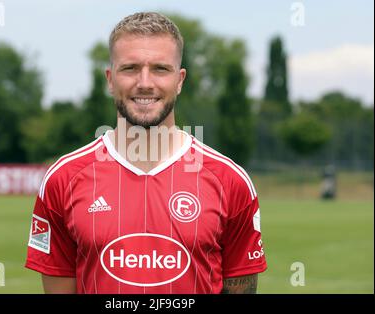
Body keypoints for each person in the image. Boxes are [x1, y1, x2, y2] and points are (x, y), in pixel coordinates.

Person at [25, 12, 267, 294]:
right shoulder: (63, 179)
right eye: (129, 68)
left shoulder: (230, 181)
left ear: (179, 79)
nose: (145, 82)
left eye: (160, 69)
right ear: (110, 79)